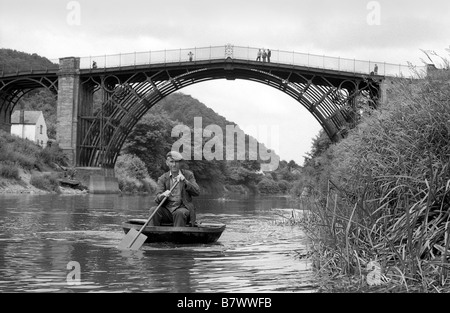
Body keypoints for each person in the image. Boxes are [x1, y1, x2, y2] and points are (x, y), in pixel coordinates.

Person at [148, 151, 200, 227]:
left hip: (183, 210)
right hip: (167, 211)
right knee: (153, 210)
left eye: (176, 162)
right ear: (167, 163)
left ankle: (177, 237)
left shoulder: (188, 175)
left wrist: (185, 181)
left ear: (180, 163)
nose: (174, 165)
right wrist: (162, 195)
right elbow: (157, 199)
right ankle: (152, 235)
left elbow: (197, 192)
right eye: (171, 162)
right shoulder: (162, 178)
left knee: (179, 213)